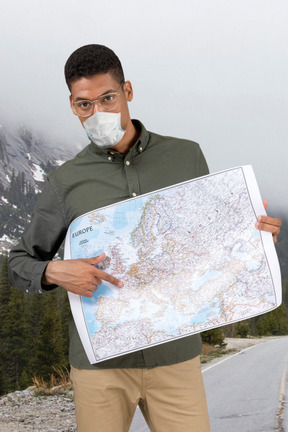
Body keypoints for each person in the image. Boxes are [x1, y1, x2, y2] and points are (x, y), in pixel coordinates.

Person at [8, 44, 282, 432]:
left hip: (176, 358)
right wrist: (53, 271)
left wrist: (255, 240)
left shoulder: (186, 157)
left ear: (128, 91)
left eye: (107, 98)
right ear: (72, 106)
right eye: (84, 105)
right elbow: (18, 263)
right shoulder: (64, 183)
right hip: (100, 368)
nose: (97, 112)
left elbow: (207, 244)